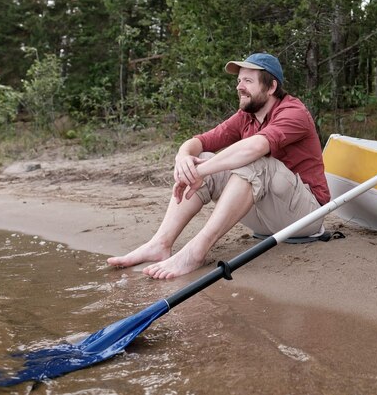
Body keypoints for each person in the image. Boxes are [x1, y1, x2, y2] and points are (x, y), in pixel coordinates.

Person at [107, 53, 330, 279]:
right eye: (239, 81)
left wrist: (199, 171)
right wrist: (183, 157)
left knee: (254, 162)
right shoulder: (246, 116)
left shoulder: (293, 112)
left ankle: (196, 252)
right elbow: (201, 141)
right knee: (202, 155)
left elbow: (254, 148)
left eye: (248, 81)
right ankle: (160, 244)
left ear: (271, 87)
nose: (239, 87)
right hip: (266, 221)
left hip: (305, 217)